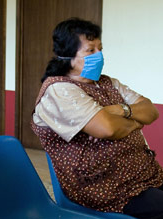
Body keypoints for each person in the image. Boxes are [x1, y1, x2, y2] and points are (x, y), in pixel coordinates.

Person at [31, 18, 163, 218]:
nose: (99, 55)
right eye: (90, 50)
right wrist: (136, 121)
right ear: (66, 56)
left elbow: (151, 111)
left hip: (141, 174)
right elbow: (108, 129)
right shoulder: (58, 90)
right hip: (105, 186)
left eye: (100, 49)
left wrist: (119, 110)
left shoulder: (107, 82)